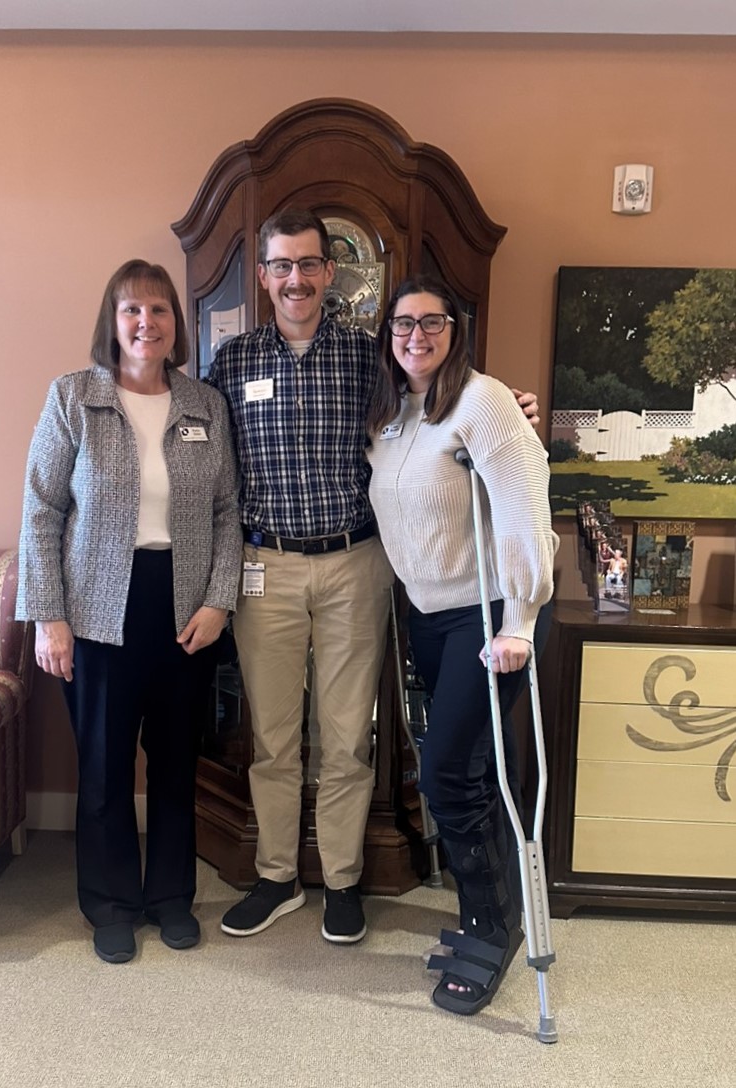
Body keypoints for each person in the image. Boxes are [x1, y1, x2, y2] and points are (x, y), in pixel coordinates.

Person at [208, 208, 541, 946]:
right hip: (263, 567)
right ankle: (273, 875)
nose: (295, 279)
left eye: (307, 264)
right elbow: (203, 461)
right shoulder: (230, 365)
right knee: (270, 736)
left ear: (330, 273)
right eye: (280, 266)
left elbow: (441, 397)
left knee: (346, 735)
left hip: (358, 562)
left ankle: (343, 879)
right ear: (263, 277)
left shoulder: (370, 356)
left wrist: (507, 408)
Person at [17, 260, 241, 965]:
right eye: (131, 311)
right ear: (111, 322)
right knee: (107, 768)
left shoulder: (205, 402)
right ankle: (111, 903)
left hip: (183, 609)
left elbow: (229, 512)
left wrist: (217, 601)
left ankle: (170, 897)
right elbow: (40, 509)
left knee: (176, 763)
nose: (147, 323)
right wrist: (48, 617)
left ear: (178, 323)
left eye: (159, 310)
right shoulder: (74, 397)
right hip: (95, 613)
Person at [366, 274, 558, 1015]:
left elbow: (522, 507)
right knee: (466, 770)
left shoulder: (484, 402)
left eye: (431, 322)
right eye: (401, 324)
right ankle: (497, 913)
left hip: (483, 618)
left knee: (446, 774)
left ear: (457, 328)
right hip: (426, 616)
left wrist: (520, 622)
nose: (415, 335)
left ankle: (488, 925)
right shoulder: (394, 412)